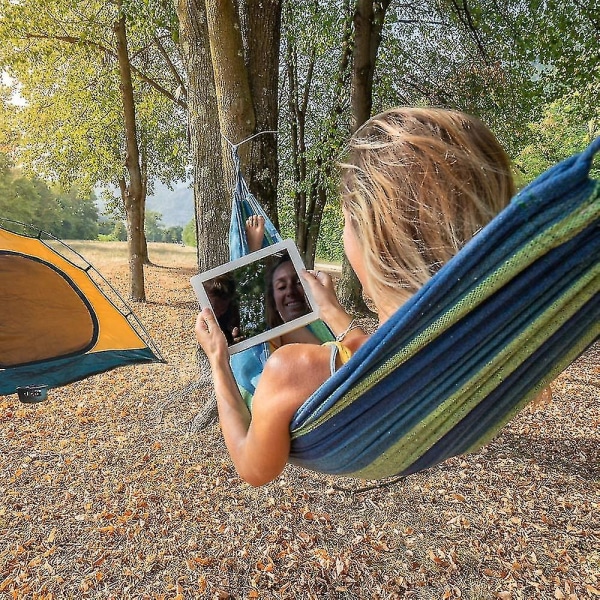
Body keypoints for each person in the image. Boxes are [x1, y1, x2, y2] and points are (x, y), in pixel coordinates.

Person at [195, 107, 515, 486]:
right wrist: (334, 314)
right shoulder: (483, 340)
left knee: (269, 330)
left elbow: (254, 467)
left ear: (373, 239)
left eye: (347, 220)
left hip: (316, 391)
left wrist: (217, 360)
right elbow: (377, 355)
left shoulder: (290, 369)